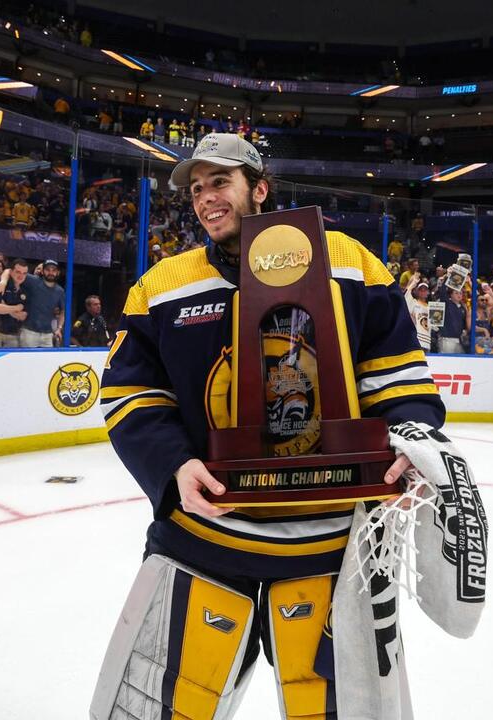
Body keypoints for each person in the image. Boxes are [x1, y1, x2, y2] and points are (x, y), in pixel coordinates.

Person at [91, 133, 446, 719]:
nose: (206, 199)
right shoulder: (162, 286)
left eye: (220, 182)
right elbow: (131, 391)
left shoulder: (349, 261)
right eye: (197, 189)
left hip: (331, 548)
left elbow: (396, 370)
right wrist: (173, 465)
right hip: (202, 542)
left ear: (259, 188)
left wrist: (408, 437)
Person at [19, 258, 65, 347]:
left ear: (58, 272)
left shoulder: (60, 291)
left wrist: (59, 328)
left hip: (47, 334)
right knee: (26, 360)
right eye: (48, 270)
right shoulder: (33, 281)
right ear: (43, 271)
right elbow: (10, 271)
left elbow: (63, 311)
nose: (51, 273)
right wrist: (3, 282)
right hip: (29, 332)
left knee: (47, 361)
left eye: (54, 270)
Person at [0, 258, 27, 347]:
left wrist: (5, 307)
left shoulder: (25, 289)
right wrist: (17, 308)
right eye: (18, 272)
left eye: (24, 273)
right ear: (11, 271)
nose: (21, 276)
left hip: (12, 333)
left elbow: (23, 316)